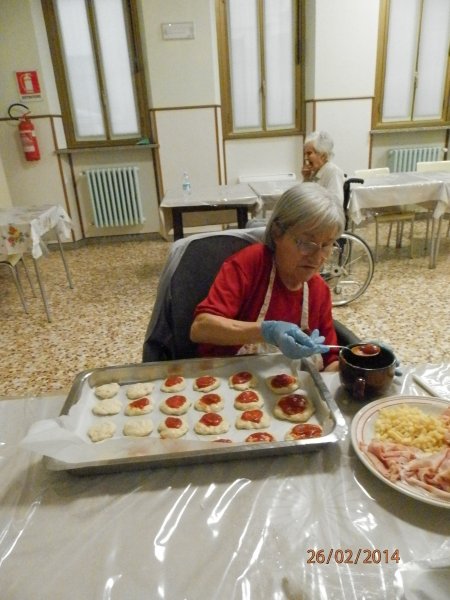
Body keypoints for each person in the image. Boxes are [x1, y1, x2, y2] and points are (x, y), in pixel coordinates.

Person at [190, 182, 346, 372]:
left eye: (327, 245)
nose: (317, 257)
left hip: (292, 394)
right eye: (306, 243)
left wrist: (363, 365)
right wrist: (267, 332)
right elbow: (201, 328)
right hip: (229, 379)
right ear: (277, 232)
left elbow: (331, 362)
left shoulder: (319, 290)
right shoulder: (251, 265)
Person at [301, 131, 345, 204]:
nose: (305, 158)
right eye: (305, 154)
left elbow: (336, 203)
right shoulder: (314, 172)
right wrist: (306, 178)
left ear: (323, 155)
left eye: (309, 153)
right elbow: (303, 197)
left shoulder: (333, 172)